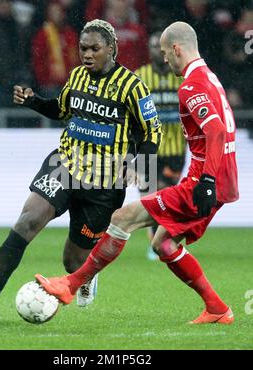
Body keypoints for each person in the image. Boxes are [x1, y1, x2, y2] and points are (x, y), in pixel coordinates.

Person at [0, 19, 162, 323]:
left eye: (95, 48)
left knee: (72, 261)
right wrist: (34, 102)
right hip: (65, 165)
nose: (87, 54)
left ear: (112, 49)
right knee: (28, 221)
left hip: (104, 185)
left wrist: (139, 167)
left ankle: (87, 276)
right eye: (83, 48)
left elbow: (152, 132)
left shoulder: (133, 86)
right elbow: (62, 110)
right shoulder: (77, 76)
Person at [35, 21, 239, 325]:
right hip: (219, 178)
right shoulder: (209, 77)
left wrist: (207, 181)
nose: (164, 60)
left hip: (204, 180)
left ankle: (71, 284)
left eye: (164, 54)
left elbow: (216, 131)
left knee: (122, 218)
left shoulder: (192, 85)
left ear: (176, 49)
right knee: (162, 244)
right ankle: (216, 308)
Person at [135, 31, 186, 260]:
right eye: (153, 46)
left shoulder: (182, 77)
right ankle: (156, 243)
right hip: (148, 150)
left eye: (160, 46)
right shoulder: (140, 77)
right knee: (150, 196)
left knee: (165, 197)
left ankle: (161, 240)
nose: (157, 50)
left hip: (175, 150)